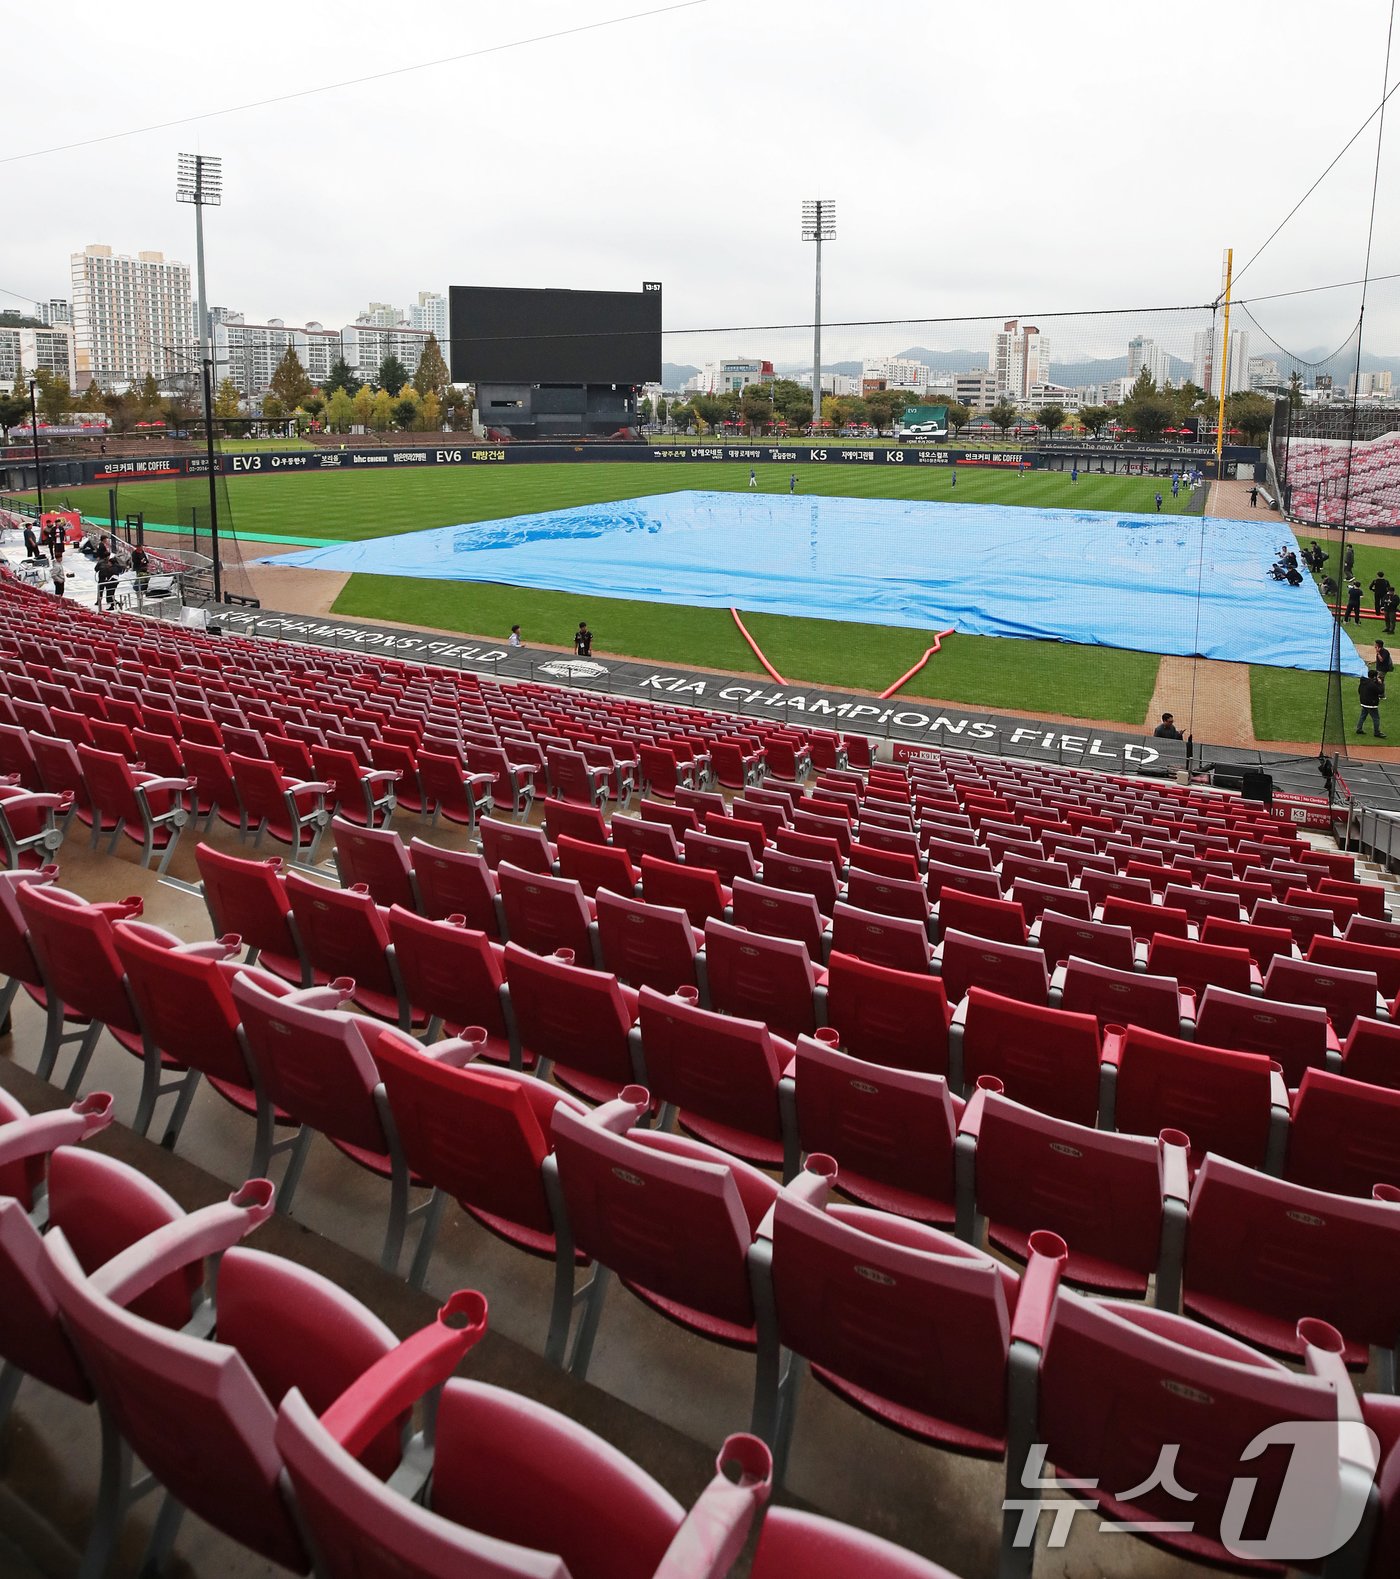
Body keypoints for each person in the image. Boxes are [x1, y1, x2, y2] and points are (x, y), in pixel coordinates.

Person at [1357, 668, 1385, 737]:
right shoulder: (1373, 684)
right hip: (1371, 704)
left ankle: (1359, 729)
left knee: (1362, 716)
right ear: (1375, 677)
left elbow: (1359, 691)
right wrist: (1381, 684)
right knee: (1376, 718)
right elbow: (1381, 692)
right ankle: (1377, 732)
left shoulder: (1363, 682)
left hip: (1363, 702)